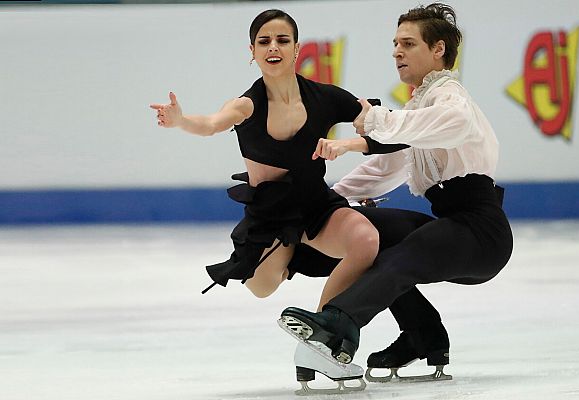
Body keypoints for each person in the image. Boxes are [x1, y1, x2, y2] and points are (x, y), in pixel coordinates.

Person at [280, 2, 514, 377]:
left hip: (481, 234)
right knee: (371, 234)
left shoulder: (450, 97)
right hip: (452, 224)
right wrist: (328, 205)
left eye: (407, 43)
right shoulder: (422, 106)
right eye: (395, 43)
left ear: (438, 49)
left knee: (400, 260)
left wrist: (375, 119)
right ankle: (424, 336)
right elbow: (385, 166)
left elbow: (450, 122)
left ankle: (338, 325)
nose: (396, 52)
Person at [149, 9, 385, 311]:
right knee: (261, 287)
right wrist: (181, 121)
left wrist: (365, 124)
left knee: (365, 240)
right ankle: (296, 254)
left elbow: (382, 125)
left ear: (297, 49)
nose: (273, 47)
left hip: (317, 208)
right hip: (271, 217)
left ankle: (327, 323)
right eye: (264, 41)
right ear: (253, 52)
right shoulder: (246, 105)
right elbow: (210, 124)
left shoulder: (325, 98)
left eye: (283, 40)